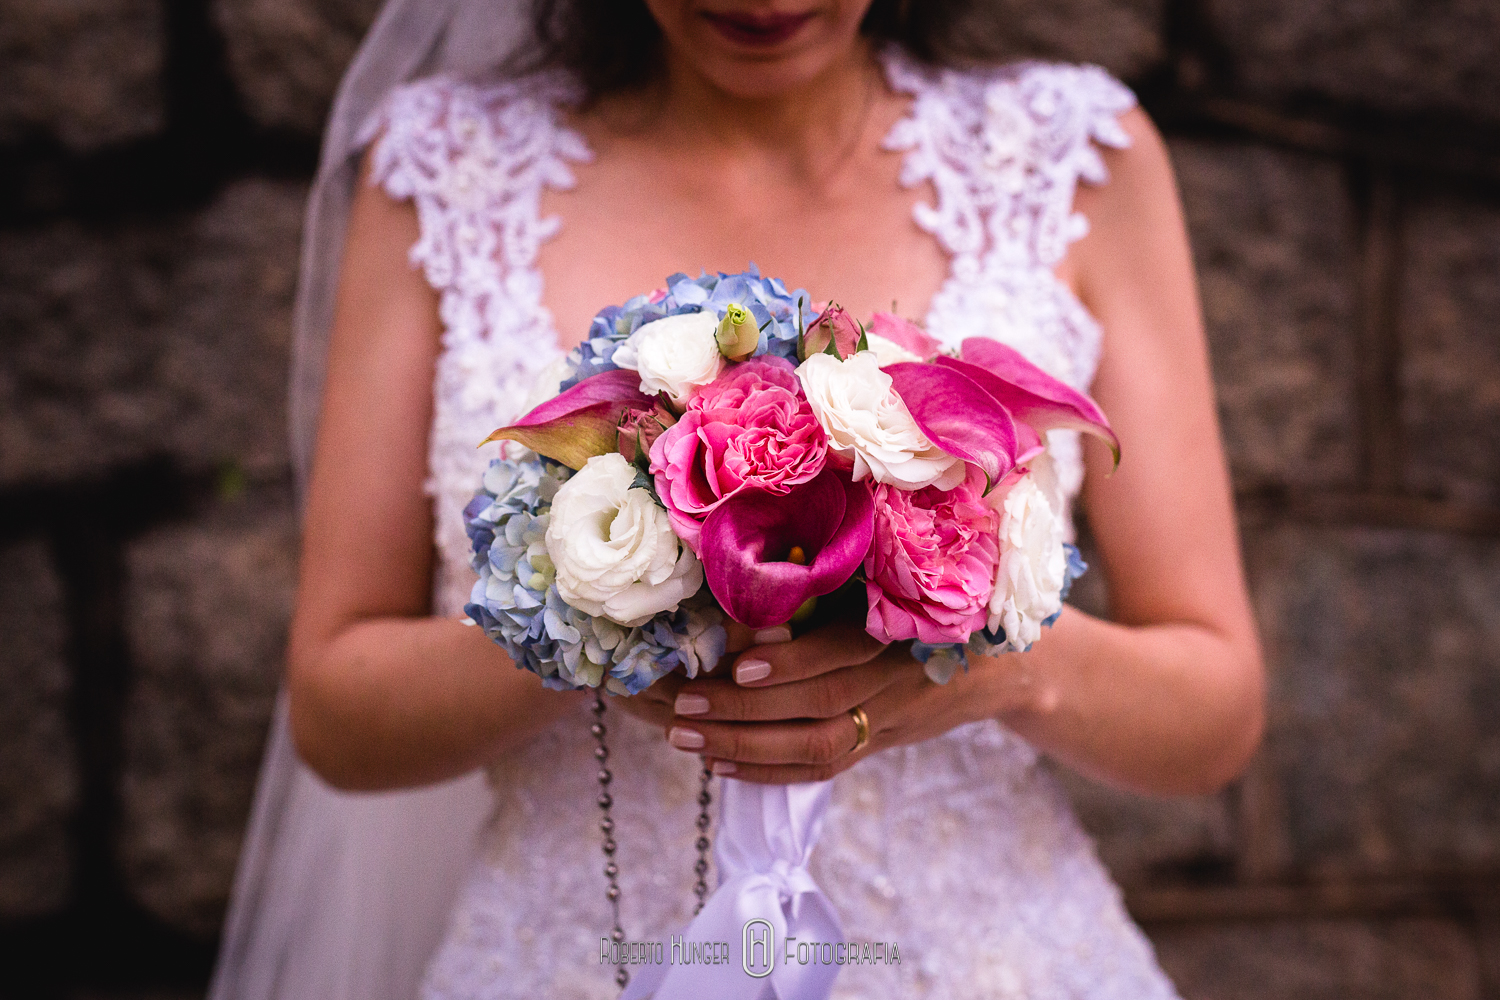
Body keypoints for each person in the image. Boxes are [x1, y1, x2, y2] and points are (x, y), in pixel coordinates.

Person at [212, 1, 1265, 998]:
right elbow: (339, 711)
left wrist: (993, 665)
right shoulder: (448, 168)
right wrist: (598, 613)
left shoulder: (1072, 158)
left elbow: (1214, 711)